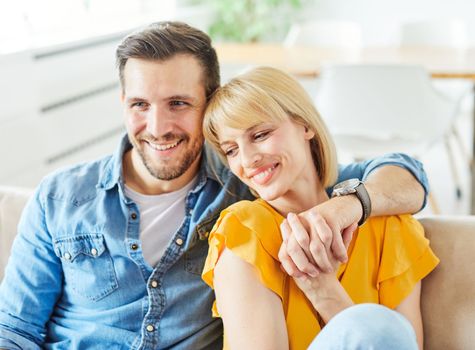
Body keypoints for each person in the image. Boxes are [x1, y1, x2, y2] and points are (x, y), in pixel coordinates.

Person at [0, 21, 428, 349]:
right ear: (123, 104)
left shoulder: (249, 183)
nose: (158, 126)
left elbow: (405, 171)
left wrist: (344, 207)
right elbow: (14, 328)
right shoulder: (59, 197)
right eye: (139, 105)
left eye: (179, 104)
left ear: (211, 105)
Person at [201, 66, 439, 350]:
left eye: (260, 134)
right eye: (231, 150)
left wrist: (325, 293)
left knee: (384, 328)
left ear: (305, 125)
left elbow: (395, 342)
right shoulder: (244, 231)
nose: (248, 159)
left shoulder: (389, 226)